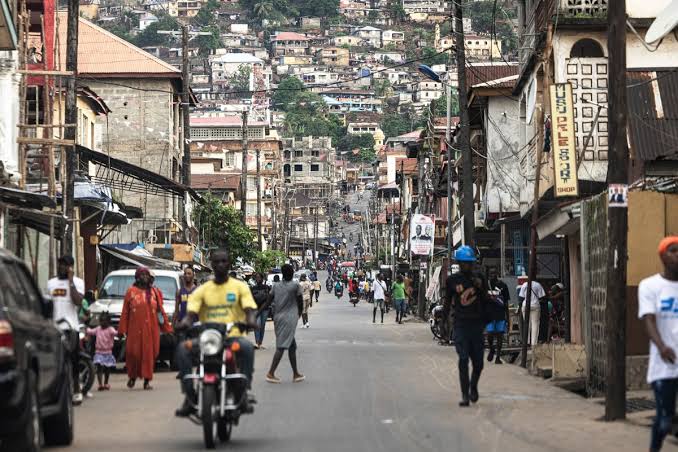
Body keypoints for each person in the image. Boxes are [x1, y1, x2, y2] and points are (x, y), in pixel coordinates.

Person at [175, 249, 258, 417]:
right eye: (217, 262)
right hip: (208, 338)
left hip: (232, 336)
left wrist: (250, 320)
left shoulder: (240, 287)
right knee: (183, 349)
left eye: (224, 261)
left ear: (229, 264)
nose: (220, 265)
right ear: (211, 265)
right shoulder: (202, 290)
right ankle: (189, 396)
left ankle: (243, 391)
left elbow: (249, 309)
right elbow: (190, 314)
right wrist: (183, 324)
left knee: (248, 348)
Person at [639, 237, 678, 452]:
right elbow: (648, 320)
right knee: (664, 422)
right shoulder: (650, 286)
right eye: (673, 250)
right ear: (663, 256)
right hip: (664, 366)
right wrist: (662, 347)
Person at [444, 245, 488, 407]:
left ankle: (473, 386)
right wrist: (444, 323)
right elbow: (447, 302)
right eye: (464, 263)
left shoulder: (480, 278)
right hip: (461, 325)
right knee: (463, 359)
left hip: (477, 325)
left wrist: (480, 287)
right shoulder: (452, 280)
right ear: (459, 263)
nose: (467, 266)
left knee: (478, 363)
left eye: (470, 263)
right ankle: (465, 394)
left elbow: (486, 299)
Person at [119, 267, 172, 390]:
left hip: (151, 330)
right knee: (133, 354)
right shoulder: (131, 291)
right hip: (134, 330)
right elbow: (125, 312)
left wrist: (167, 328)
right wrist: (122, 330)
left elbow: (160, 311)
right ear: (137, 277)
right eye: (142, 275)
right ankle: (132, 377)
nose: (145, 277)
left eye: (146, 275)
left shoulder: (154, 292)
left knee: (150, 355)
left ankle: (147, 381)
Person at [47, 255, 85, 404]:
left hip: (71, 328)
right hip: (55, 328)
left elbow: (78, 301)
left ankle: (76, 389)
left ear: (71, 267)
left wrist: (70, 282)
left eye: (65, 265)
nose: (61, 267)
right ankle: (57, 392)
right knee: (56, 362)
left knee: (73, 361)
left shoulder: (78, 282)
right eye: (60, 264)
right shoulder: (51, 283)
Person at [259, 264, 305, 384]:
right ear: (292, 273)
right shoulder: (295, 285)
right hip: (289, 318)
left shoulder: (276, 286)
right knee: (281, 346)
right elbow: (300, 302)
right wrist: (299, 313)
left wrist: (258, 312)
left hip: (278, 318)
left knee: (292, 346)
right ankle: (271, 373)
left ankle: (295, 373)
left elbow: (267, 302)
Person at [86, 312, 117, 391]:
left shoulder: (110, 329)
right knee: (99, 368)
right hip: (99, 352)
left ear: (108, 322)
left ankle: (106, 383)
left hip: (108, 352)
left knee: (107, 369)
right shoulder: (98, 329)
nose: (102, 323)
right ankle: (100, 384)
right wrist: (87, 328)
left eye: (104, 321)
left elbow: (115, 333)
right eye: (101, 321)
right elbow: (91, 331)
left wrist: (120, 332)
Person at [486, 267, 510, 365]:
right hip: (489, 314)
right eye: (491, 273)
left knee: (500, 335)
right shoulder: (486, 286)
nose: (492, 275)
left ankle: (498, 357)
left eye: (494, 273)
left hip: (500, 314)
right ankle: (491, 349)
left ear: (497, 274)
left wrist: (507, 316)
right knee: (490, 334)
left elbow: (506, 302)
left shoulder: (503, 285)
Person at [518, 278, 546, 347]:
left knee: (527, 323)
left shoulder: (524, 285)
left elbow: (521, 298)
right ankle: (534, 344)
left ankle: (527, 342)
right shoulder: (538, 285)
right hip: (535, 305)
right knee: (535, 324)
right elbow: (542, 297)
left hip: (525, 305)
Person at [251, 273, 270, 349]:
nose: (258, 279)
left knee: (262, 326)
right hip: (256, 309)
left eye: (259, 277)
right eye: (256, 277)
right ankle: (257, 343)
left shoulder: (266, 287)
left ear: (262, 279)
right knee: (257, 325)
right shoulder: (253, 288)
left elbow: (268, 299)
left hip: (265, 309)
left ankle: (260, 343)